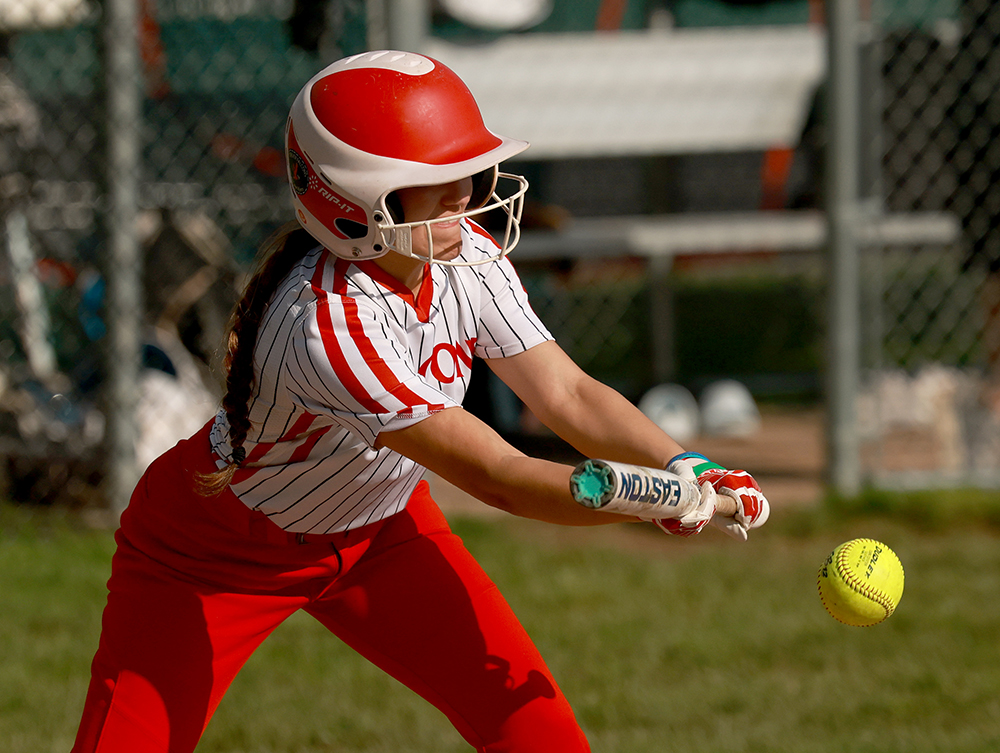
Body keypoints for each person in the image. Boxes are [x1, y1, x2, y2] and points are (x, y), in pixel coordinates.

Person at [71, 50, 770, 753]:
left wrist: (686, 464)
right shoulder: (327, 324)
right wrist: (652, 498)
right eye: (433, 177)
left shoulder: (464, 252)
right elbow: (496, 473)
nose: (465, 190)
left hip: (381, 528)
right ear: (353, 203)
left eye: (463, 168)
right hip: (214, 552)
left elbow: (568, 393)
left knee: (536, 727)